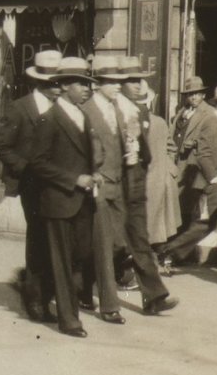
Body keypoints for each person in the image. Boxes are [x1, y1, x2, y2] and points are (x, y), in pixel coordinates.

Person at [28, 61, 99, 338]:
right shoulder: (50, 119)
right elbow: (38, 162)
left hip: (82, 200)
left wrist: (93, 176)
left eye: (89, 84)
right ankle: (69, 320)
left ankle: (42, 296)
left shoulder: (84, 117)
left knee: (79, 256)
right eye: (81, 84)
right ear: (65, 86)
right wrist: (73, 179)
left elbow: (85, 156)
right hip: (58, 201)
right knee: (62, 261)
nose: (87, 89)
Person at [158, 83, 217, 282]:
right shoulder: (212, 121)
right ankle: (167, 252)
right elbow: (203, 154)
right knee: (206, 225)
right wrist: (215, 179)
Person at [0, 50, 62, 322]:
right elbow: (3, 147)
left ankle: (53, 293)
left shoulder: (64, 109)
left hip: (59, 184)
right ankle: (36, 299)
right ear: (41, 83)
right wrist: (26, 168)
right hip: (32, 185)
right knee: (38, 239)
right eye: (55, 83)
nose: (59, 88)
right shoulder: (20, 108)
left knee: (57, 240)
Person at [114, 56, 178, 315]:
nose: (138, 85)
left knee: (140, 243)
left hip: (136, 187)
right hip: (115, 186)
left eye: (140, 80)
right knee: (107, 244)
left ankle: (154, 297)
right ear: (119, 83)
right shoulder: (114, 109)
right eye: (131, 80)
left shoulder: (140, 113)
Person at [79, 55, 128, 325]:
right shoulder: (86, 110)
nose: (119, 86)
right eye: (113, 82)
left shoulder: (117, 109)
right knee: (105, 246)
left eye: (120, 81)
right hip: (98, 186)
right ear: (98, 84)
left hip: (118, 185)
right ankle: (110, 306)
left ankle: (83, 289)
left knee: (119, 243)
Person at [170, 76, 213, 253]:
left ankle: (182, 252)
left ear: (203, 94)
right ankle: (178, 251)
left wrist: (195, 142)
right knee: (177, 207)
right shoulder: (181, 112)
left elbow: (211, 139)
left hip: (193, 167)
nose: (194, 97)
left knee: (189, 208)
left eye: (197, 94)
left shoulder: (209, 113)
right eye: (190, 94)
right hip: (177, 165)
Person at [140, 83, 182, 249]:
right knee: (157, 226)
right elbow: (172, 147)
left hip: (142, 181)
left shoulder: (127, 121)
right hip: (159, 180)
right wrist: (166, 164)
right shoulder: (160, 122)